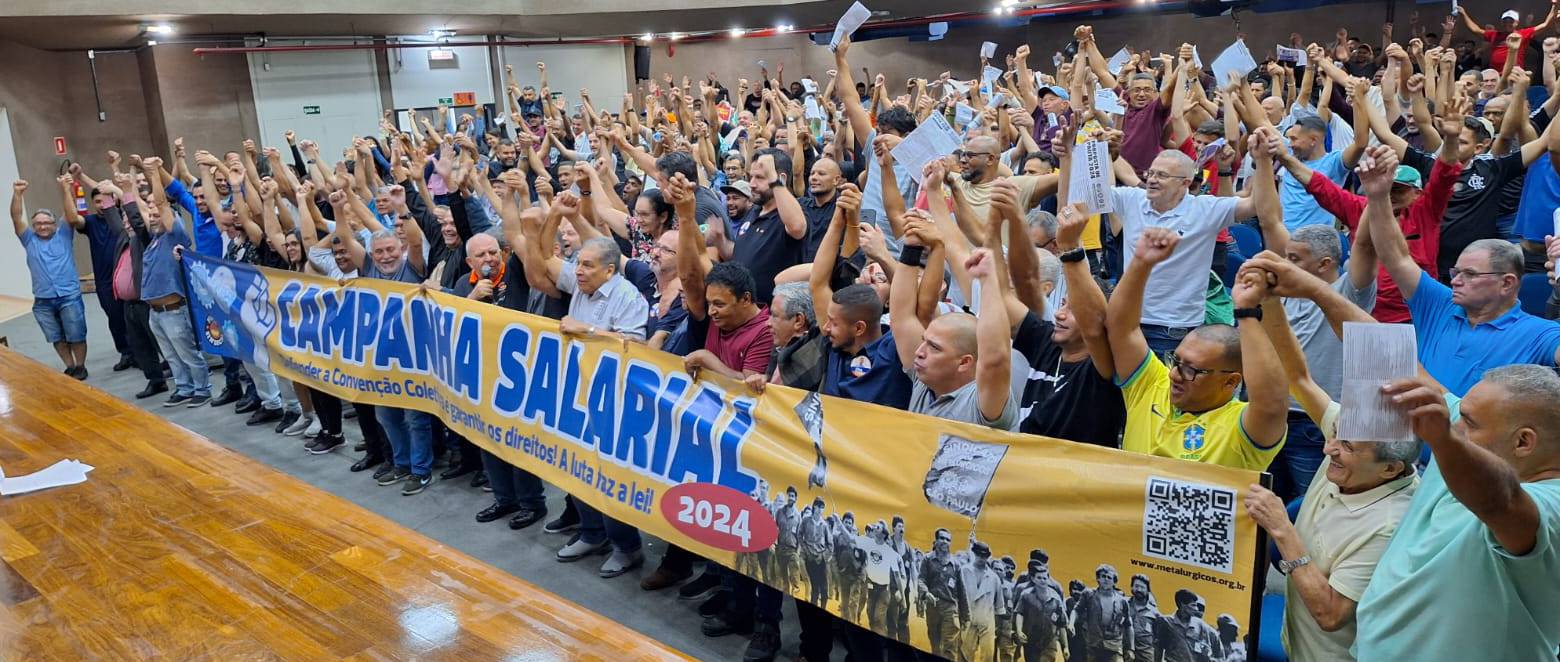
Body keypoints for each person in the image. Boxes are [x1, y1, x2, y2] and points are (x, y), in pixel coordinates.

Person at [1349, 364, 1560, 660]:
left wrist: (1444, 439)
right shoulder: (1476, 435)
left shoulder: (1551, 504)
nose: (1457, 424)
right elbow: (1398, 364)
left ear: (1523, 442)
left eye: (1468, 422)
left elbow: (1502, 501)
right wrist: (1265, 316)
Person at [1358, 144, 1560, 396]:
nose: (1455, 281)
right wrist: (1377, 196)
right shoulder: (1439, 304)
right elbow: (1395, 257)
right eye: (1456, 273)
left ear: (1507, 283)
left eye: (1470, 274)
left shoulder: (1539, 333)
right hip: (1412, 435)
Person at [524, 192, 650, 579]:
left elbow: (636, 346)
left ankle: (626, 547)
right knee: (578, 466)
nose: (578, 272)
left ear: (610, 271)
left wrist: (589, 330)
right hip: (576, 391)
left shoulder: (629, 298)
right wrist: (556, 216)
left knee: (608, 475)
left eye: (588, 266)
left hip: (612, 398)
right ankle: (591, 532)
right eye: (578, 264)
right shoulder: (580, 284)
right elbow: (545, 256)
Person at [1104, 226, 1289, 470]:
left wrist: (1247, 311)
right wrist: (1141, 264)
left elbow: (1273, 402)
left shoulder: (1241, 428)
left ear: (1231, 382)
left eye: (1192, 370)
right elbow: (1122, 329)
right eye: (1176, 361)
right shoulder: (1153, 386)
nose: (1174, 374)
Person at [331, 188, 439, 496]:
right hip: (378, 358)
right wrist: (339, 209)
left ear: (400, 250)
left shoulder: (413, 266)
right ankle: (402, 463)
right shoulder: (366, 268)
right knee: (387, 416)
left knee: (415, 418)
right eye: (379, 252)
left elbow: (416, 239)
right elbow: (347, 240)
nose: (386, 256)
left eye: (391, 250)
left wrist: (402, 207)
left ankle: (420, 470)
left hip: (414, 358)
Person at [132, 158, 212, 407]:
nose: (153, 217)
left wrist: (154, 174)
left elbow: (161, 204)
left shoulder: (173, 233)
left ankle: (202, 388)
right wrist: (131, 177)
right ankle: (184, 387)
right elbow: (140, 207)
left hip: (173, 309)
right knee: (171, 355)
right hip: (155, 311)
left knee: (187, 353)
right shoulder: (155, 238)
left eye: (157, 214)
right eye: (151, 215)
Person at [11, 179, 89, 378]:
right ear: (33, 226)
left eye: (47, 223)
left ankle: (80, 366)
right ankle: (70, 366)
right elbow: (16, 216)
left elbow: (71, 214)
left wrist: (65, 189)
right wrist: (18, 194)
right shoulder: (28, 239)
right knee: (55, 337)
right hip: (43, 299)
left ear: (55, 224)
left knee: (76, 334)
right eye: (38, 223)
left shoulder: (64, 233)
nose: (42, 226)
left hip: (68, 295)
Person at [1457, 4, 1558, 72]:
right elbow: (1476, 30)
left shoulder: (1522, 34)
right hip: (1495, 75)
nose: (1507, 24)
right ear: (1502, 22)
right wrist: (1464, 14)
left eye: (1511, 21)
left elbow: (1545, 25)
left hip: (1513, 74)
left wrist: (1555, 5)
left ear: (1516, 23)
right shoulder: (1494, 34)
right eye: (1505, 21)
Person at [1013, 550, 1069, 662]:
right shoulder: (1022, 582)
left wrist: (1064, 645)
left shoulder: (1055, 587)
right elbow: (1017, 611)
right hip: (1028, 635)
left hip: (1049, 636)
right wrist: (1016, 632)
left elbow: (1061, 617)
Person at [1074, 564, 1133, 662]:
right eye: (1103, 576)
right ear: (1098, 579)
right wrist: (1071, 623)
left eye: (1109, 577)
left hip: (1114, 646)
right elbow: (1076, 610)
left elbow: (1129, 625)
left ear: (1114, 581)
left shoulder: (1122, 601)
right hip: (1094, 645)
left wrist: (1131, 648)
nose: (1106, 579)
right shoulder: (1089, 595)